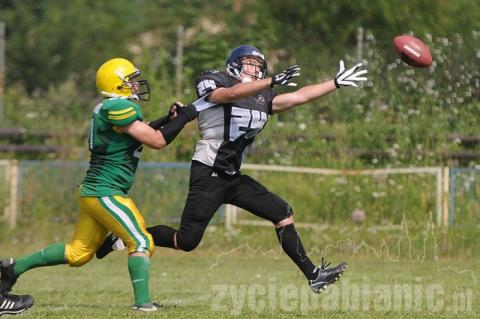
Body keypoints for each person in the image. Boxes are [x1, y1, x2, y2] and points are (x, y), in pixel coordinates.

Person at [97, 45, 368, 293]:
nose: (253, 68)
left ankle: (314, 275)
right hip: (209, 172)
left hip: (232, 176)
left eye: (257, 65)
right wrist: (272, 80)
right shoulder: (214, 79)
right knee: (186, 241)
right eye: (248, 63)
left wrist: (334, 83)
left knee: (281, 212)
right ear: (234, 65)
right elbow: (229, 94)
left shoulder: (262, 95)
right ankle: (123, 237)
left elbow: (297, 97)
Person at [0, 57, 199, 312]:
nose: (136, 86)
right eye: (131, 81)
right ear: (117, 85)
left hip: (94, 191)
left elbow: (143, 131)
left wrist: (169, 118)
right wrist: (184, 118)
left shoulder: (111, 108)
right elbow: (157, 141)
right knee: (140, 241)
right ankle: (143, 304)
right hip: (106, 192)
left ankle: (12, 267)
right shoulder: (116, 107)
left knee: (78, 253)